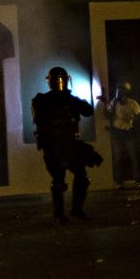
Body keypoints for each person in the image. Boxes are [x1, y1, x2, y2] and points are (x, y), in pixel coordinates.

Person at [32, 67, 101, 223]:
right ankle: (59, 215)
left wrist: (75, 101)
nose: (59, 84)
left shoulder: (71, 99)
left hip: (70, 145)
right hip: (53, 146)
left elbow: (88, 111)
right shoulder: (42, 100)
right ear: (50, 82)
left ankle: (76, 210)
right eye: (57, 80)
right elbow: (39, 120)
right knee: (58, 181)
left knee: (82, 177)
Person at [102, 81, 140, 188]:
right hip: (117, 133)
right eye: (120, 93)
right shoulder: (115, 102)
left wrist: (132, 118)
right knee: (118, 158)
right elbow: (107, 114)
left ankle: (138, 181)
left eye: (123, 93)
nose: (122, 96)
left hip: (128, 132)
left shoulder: (133, 103)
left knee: (133, 157)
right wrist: (107, 103)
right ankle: (119, 182)